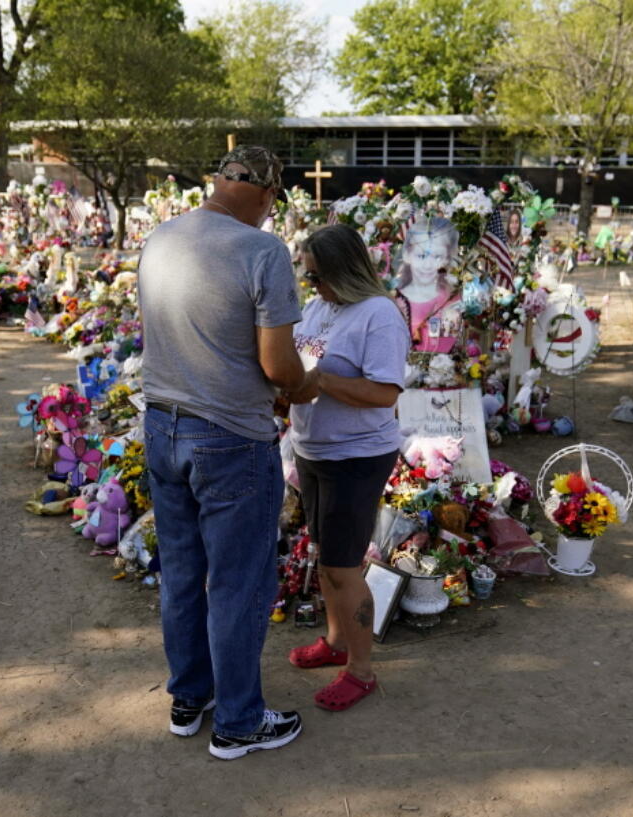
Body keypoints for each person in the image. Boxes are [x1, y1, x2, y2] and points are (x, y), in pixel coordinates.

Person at [138, 145, 309, 760]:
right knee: (238, 581)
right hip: (230, 436)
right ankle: (238, 722)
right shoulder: (261, 249)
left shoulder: (161, 237)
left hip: (162, 425)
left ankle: (191, 698)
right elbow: (277, 364)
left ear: (218, 182)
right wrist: (303, 384)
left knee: (183, 571)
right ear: (267, 196)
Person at [285, 224, 410, 711]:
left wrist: (323, 383)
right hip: (314, 450)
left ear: (343, 271)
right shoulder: (319, 308)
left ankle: (360, 670)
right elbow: (303, 364)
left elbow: (384, 394)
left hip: (355, 457)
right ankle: (335, 641)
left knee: (344, 565)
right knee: (325, 557)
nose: (311, 285)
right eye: (308, 276)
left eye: (317, 276)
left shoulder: (379, 315)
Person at [393, 217, 462, 352]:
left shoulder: (452, 300)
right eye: (421, 256)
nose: (428, 265)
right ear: (407, 255)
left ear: (446, 258)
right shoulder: (394, 299)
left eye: (437, 257)